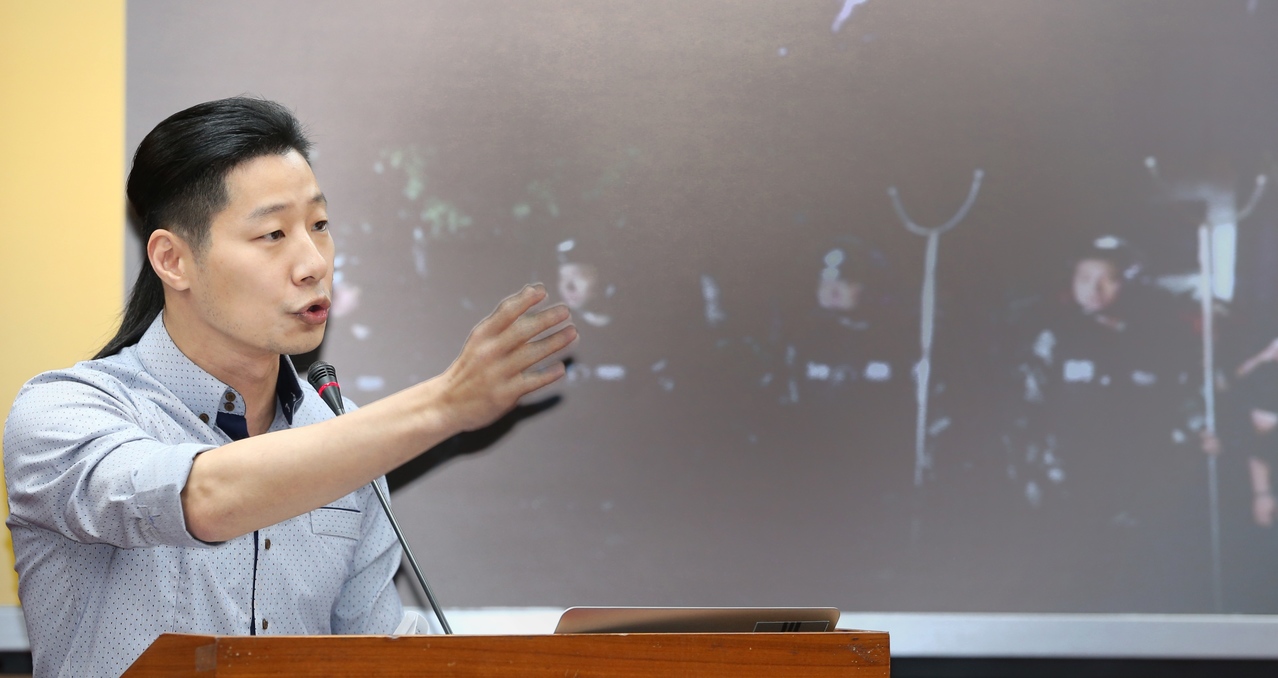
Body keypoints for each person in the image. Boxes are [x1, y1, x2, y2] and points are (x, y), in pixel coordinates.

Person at [2, 97, 576, 677]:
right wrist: (444, 404)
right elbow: (203, 499)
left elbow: (375, 658)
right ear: (173, 260)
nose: (313, 263)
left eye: (319, 226)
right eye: (273, 233)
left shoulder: (343, 434)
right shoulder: (64, 413)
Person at [1004, 235, 1208, 610]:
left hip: (1135, 475)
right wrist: (1031, 469)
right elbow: (1026, 409)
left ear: (1126, 282)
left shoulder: (1154, 338)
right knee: (1063, 575)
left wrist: (1200, 429)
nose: (1094, 290)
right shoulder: (1054, 336)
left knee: (1130, 573)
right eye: (1084, 278)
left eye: (1107, 279)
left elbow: (1182, 396)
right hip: (1066, 476)